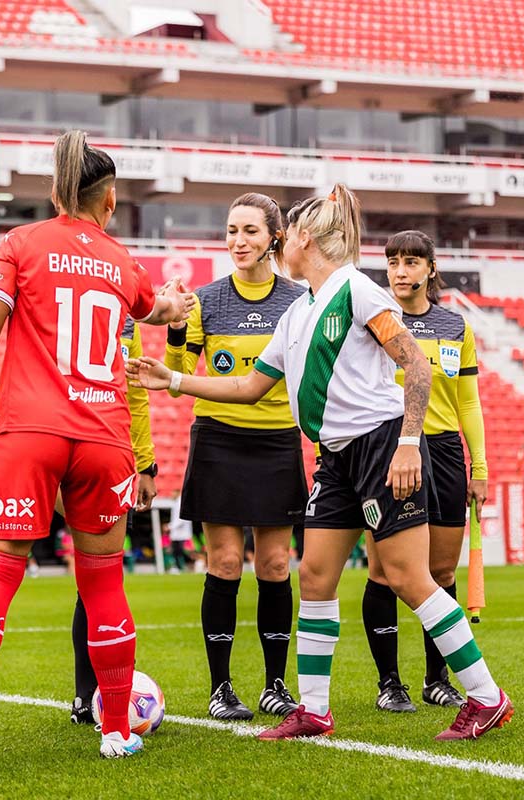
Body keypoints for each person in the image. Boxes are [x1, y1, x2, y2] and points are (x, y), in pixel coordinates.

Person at [129, 183, 513, 742]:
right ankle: (314, 711)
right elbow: (250, 386)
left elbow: (417, 367)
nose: (280, 241)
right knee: (313, 576)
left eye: (285, 232)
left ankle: (487, 696)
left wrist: (409, 444)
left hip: (383, 446)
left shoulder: (357, 290)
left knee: (408, 576)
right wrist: (176, 380)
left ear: (303, 237)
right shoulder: (298, 311)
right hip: (334, 459)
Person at [0, 130, 194, 767]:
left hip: (30, 433)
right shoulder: (121, 258)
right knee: (103, 584)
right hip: (104, 438)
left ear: (56, 194)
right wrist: (176, 305)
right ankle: (114, 730)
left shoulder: (21, 244)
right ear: (109, 203)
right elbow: (153, 307)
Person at [164, 191, 306, 721]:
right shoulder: (204, 299)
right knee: (223, 563)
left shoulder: (299, 300)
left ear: (273, 237)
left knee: (273, 564)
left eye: (249, 231)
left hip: (277, 440)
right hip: (220, 438)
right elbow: (177, 369)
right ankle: (220, 688)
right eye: (230, 231)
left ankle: (275, 684)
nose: (238, 242)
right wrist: (177, 324)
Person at [361, 230, 489, 713]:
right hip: (390, 450)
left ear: (430, 269)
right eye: (393, 262)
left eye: (411, 262)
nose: (400, 271)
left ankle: (437, 678)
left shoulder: (456, 326)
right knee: (383, 571)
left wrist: (480, 467)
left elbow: (469, 402)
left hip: (444, 453)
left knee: (441, 570)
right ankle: (389, 683)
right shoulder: (375, 321)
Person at [69, 314, 160, 725]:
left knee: (100, 575)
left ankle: (93, 696)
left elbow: (137, 396)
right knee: (96, 576)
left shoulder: (127, 322)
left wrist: (146, 465)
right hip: (59, 444)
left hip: (110, 454)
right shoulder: (64, 300)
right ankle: (89, 695)